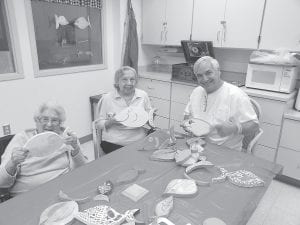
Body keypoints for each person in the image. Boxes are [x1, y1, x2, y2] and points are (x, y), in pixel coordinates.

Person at [0, 101, 87, 197]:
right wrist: (13, 163)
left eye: (54, 120)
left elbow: (82, 170)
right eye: (45, 119)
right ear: (36, 121)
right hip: (28, 196)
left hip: (63, 191)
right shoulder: (21, 139)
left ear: (60, 123)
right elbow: (2, 182)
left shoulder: (66, 137)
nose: (49, 124)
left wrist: (75, 148)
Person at [182, 56, 259, 151]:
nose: (205, 79)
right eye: (199, 75)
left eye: (208, 73)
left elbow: (254, 126)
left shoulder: (235, 95)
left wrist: (235, 128)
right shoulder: (196, 92)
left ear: (218, 72)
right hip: (197, 145)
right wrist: (189, 126)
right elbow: (187, 116)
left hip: (225, 151)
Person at [96, 66, 153, 154]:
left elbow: (149, 119)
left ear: (136, 81)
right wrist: (110, 122)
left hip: (139, 138)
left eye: (132, 79)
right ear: (117, 82)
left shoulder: (143, 95)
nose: (129, 83)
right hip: (114, 141)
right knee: (125, 162)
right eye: (124, 79)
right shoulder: (107, 98)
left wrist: (150, 118)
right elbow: (98, 124)